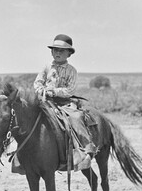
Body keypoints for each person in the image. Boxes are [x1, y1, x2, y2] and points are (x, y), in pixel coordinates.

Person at [32, 34, 97, 171]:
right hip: (45, 101)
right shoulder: (47, 67)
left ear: (69, 53)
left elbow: (70, 90)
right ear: (51, 52)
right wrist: (40, 90)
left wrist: (53, 92)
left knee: (76, 117)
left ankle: (86, 150)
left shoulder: (71, 71)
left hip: (64, 103)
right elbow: (37, 82)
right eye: (55, 50)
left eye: (61, 50)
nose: (57, 53)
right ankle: (21, 152)